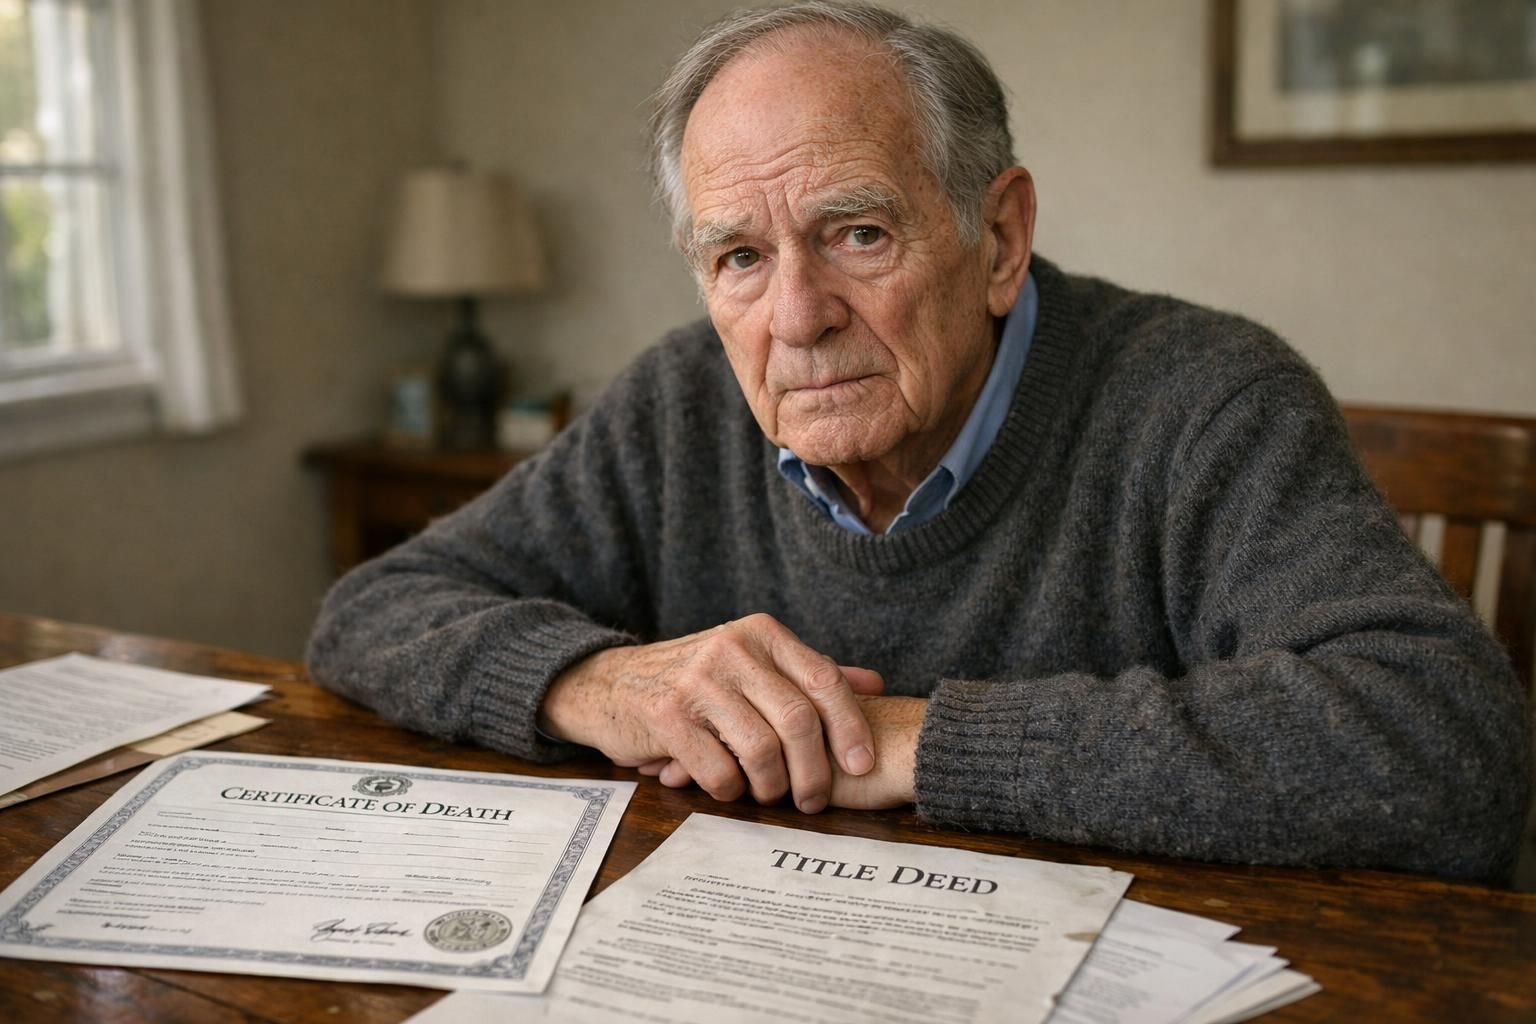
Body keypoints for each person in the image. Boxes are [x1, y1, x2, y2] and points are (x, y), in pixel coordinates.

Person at [307, 1, 1529, 881]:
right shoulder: (681, 399)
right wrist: (605, 682)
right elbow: (373, 608)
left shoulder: (1205, 398)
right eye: (739, 257)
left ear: (997, 241)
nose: (795, 317)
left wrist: (916, 739)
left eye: (857, 234)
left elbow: (1445, 745)